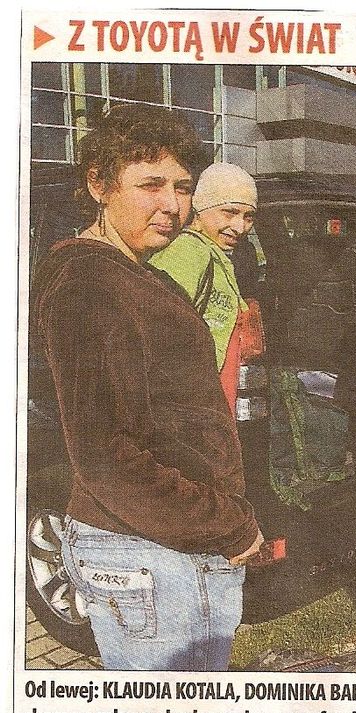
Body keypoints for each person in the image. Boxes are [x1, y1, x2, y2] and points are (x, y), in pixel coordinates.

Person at [33, 104, 263, 671]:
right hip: (145, 549)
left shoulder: (136, 273)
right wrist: (229, 524)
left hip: (167, 543)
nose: (172, 205)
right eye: (150, 185)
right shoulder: (88, 281)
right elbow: (104, 455)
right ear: (99, 185)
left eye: (182, 188)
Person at [149, 162, 260, 414]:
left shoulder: (215, 254)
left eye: (248, 217)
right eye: (229, 212)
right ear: (200, 210)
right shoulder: (188, 251)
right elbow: (160, 333)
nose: (240, 227)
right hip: (190, 404)